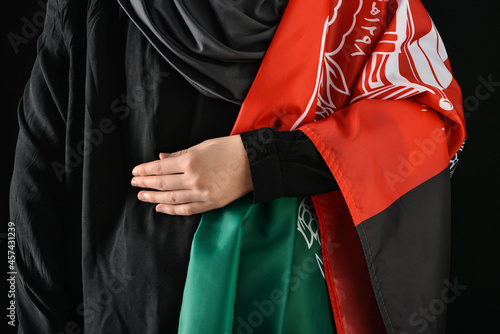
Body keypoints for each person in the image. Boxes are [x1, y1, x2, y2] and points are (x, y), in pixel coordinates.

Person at [10, 0, 466, 333]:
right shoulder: (92, 11)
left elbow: (427, 125)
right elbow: (33, 198)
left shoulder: (359, 9)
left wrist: (260, 163)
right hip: (121, 311)